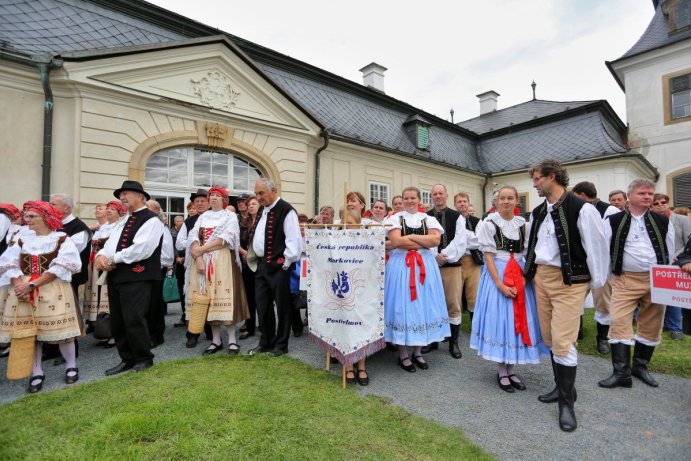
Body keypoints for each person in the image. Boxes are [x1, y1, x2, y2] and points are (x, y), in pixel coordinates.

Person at [523, 159, 608, 432]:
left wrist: (595, 284)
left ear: (551, 176)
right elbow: (531, 246)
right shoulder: (537, 212)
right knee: (549, 337)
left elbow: (596, 247)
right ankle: (563, 389)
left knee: (562, 341)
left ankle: (566, 405)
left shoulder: (581, 208)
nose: (534, 184)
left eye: (537, 179)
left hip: (569, 281)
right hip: (542, 278)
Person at [598, 180, 675, 390]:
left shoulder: (663, 220)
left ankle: (640, 367)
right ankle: (621, 373)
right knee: (619, 321)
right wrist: (606, 277)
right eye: (642, 193)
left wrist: (666, 278)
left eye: (650, 193)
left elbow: (669, 250)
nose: (648, 196)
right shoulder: (612, 220)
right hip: (625, 279)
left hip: (655, 279)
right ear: (630, 195)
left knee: (652, 324)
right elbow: (605, 250)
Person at [0, 201, 82, 393]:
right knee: (31, 334)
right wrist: (19, 284)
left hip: (52, 288)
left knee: (63, 333)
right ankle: (37, 372)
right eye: (26, 216)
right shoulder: (22, 238)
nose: (26, 220)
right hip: (22, 289)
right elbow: (9, 263)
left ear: (45, 218)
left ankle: (71, 365)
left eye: (31, 217)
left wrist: (31, 285)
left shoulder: (62, 239)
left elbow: (61, 267)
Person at [470, 186, 547, 392]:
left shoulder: (524, 224)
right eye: (502, 198)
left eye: (510, 198)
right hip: (498, 273)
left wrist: (524, 279)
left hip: (520, 273)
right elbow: (488, 257)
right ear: (496, 202)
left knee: (519, 319)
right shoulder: (489, 224)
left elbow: (529, 253)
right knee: (502, 319)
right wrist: (500, 285)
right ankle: (502, 370)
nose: (506, 201)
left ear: (516, 201)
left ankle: (511, 368)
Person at [95, 180, 164, 375]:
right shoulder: (123, 220)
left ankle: (144, 358)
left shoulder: (151, 220)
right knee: (118, 321)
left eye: (126, 194)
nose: (122, 198)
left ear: (140, 196)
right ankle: (127, 359)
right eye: (121, 195)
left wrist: (112, 258)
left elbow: (142, 249)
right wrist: (102, 255)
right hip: (117, 276)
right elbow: (111, 243)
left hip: (137, 277)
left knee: (134, 319)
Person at [384, 187, 449, 372]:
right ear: (402, 200)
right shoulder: (394, 218)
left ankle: (418, 351)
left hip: (425, 267)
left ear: (419, 199)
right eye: (406, 198)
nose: (410, 201)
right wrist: (422, 239)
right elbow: (396, 242)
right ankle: (403, 354)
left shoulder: (429, 219)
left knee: (424, 305)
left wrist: (410, 237)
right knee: (403, 306)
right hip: (401, 266)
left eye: (413, 198)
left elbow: (435, 241)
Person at [186, 186, 249, 355]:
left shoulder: (230, 216)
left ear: (224, 199)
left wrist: (202, 249)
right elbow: (193, 237)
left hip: (222, 261)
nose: (213, 197)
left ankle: (232, 341)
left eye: (217, 195)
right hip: (202, 262)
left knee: (224, 298)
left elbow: (227, 238)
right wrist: (198, 257)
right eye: (211, 195)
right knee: (209, 300)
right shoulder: (203, 217)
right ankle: (216, 341)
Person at [247, 178, 303, 357]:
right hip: (262, 265)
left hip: (279, 267)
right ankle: (266, 341)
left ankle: (281, 345)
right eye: (256, 193)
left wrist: (285, 264)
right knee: (262, 306)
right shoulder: (263, 210)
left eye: (261, 193)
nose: (258, 197)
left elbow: (294, 243)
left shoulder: (286, 210)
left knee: (283, 306)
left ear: (273, 190)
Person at [572, 181, 620, 353]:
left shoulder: (610, 211)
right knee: (575, 299)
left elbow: (610, 240)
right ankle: (577, 331)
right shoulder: (577, 209)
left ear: (582, 195)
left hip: (603, 264)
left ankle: (602, 338)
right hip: (581, 264)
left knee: (603, 302)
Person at [423, 184, 467, 359]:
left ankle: (453, 342)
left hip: (451, 266)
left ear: (446, 195)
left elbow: (460, 240)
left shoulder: (457, 216)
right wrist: (434, 256)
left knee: (453, 303)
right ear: (431, 197)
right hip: (430, 265)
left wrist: (444, 256)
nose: (438, 196)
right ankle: (433, 340)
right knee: (431, 302)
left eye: (441, 193)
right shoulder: (425, 217)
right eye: (435, 194)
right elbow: (424, 239)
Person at [49, 193, 90, 364]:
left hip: (69, 278)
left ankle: (69, 350)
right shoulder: (53, 226)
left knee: (67, 313)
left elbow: (68, 254)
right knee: (51, 312)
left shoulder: (79, 228)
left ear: (66, 208)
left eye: (54, 204)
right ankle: (51, 347)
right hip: (50, 278)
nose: (50, 207)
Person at [84, 199, 127, 347]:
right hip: (97, 264)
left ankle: (113, 333)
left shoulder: (119, 227)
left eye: (112, 209)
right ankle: (101, 328)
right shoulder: (102, 228)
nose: (108, 210)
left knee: (108, 300)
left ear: (120, 212)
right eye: (107, 208)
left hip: (110, 265)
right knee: (97, 296)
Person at [652, 193, 691, 341]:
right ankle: (661, 324)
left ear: (668, 203)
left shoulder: (681, 219)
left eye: (663, 202)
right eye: (656, 203)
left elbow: (688, 242)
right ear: (652, 206)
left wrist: (676, 256)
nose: (660, 205)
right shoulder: (651, 220)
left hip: (677, 261)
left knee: (673, 297)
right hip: (657, 262)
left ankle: (675, 328)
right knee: (658, 295)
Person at [176, 189, 211, 347]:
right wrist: (196, 245)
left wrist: (204, 248)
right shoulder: (188, 222)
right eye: (197, 201)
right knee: (193, 298)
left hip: (213, 263)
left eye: (203, 201)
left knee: (212, 297)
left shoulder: (217, 218)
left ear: (209, 202)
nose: (199, 203)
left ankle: (212, 331)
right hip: (193, 264)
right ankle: (193, 333)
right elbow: (179, 243)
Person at [146, 199, 175, 348]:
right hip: (144, 270)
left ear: (156, 211)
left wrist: (156, 264)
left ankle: (157, 336)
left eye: (147, 208)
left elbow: (168, 254)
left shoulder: (160, 227)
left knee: (154, 304)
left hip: (155, 269)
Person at [454, 192, 483, 322]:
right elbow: (450, 241)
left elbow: (479, 241)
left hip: (472, 261)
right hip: (455, 262)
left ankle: (475, 328)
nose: (462, 204)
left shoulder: (477, 221)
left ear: (468, 203)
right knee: (454, 297)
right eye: (459, 202)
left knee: (474, 296)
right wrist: (468, 238)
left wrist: (462, 239)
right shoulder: (451, 219)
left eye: (464, 201)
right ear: (455, 204)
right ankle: (453, 332)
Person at [238, 196, 260, 339]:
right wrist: (244, 253)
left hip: (260, 263)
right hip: (246, 262)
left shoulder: (263, 222)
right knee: (249, 297)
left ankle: (264, 327)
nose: (251, 206)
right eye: (249, 204)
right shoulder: (243, 223)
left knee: (263, 298)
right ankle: (250, 326)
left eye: (254, 204)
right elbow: (236, 242)